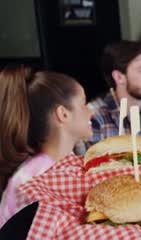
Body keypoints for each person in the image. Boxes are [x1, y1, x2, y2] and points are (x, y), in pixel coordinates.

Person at [0, 67, 93, 227]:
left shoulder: (60, 167)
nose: (90, 112)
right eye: (83, 103)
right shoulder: (38, 178)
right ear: (63, 114)